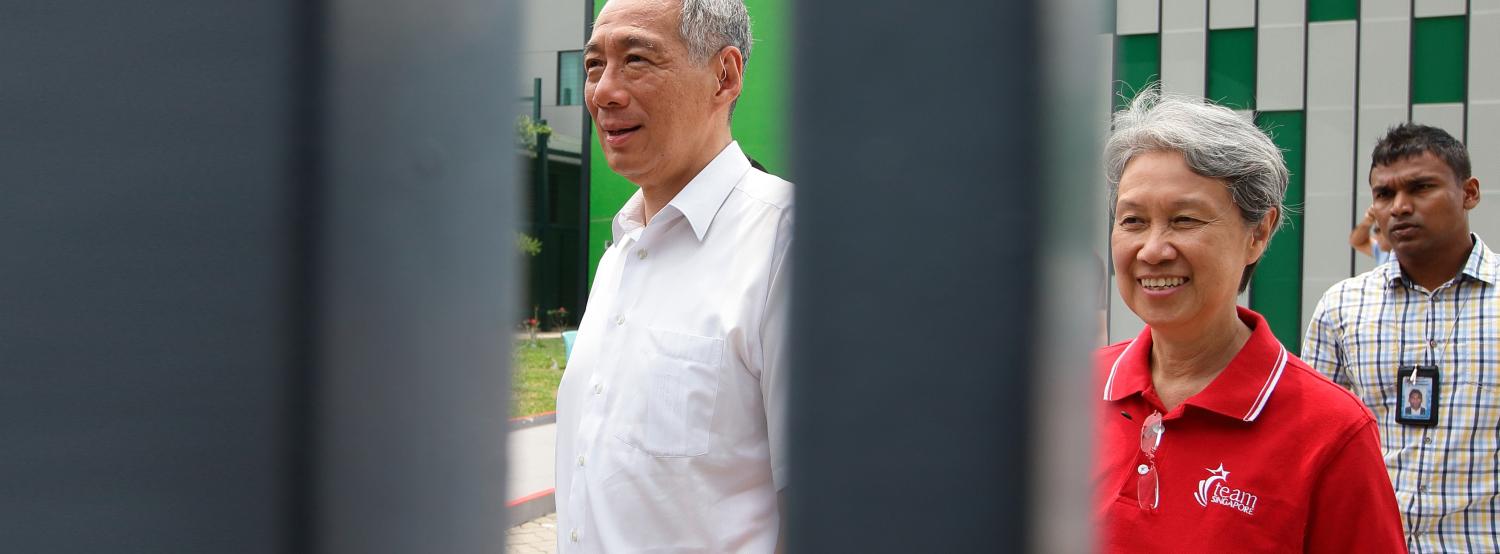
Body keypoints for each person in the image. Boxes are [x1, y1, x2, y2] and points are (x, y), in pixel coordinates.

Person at [1096, 88, 1405, 552]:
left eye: (1184, 220)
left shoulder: (1330, 432)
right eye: (1133, 221)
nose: (1153, 250)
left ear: (1258, 233)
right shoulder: (1064, 397)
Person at [554, 0, 792, 551]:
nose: (604, 92)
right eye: (593, 65)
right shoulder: (622, 248)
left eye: (636, 59)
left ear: (723, 76)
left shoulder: (785, 243)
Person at [1303, 123, 1495, 551]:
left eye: (1421, 187)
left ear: (1470, 193)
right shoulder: (1342, 308)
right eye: (1384, 195)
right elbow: (1309, 446)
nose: (1400, 207)